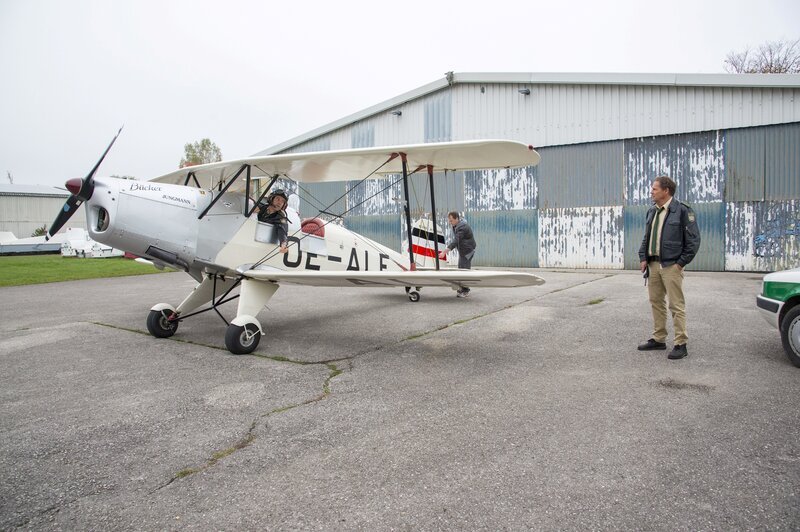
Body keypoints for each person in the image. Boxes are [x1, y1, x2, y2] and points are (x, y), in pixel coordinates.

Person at [638, 176, 701, 359]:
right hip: (653, 264)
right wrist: (643, 257)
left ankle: (681, 343)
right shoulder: (652, 211)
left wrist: (681, 262)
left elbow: (694, 240)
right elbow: (646, 237)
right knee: (656, 302)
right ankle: (659, 339)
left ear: (666, 191)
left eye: (655, 189)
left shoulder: (682, 211)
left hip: (671, 265)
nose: (652, 191)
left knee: (676, 305)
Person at [438, 211, 477, 298]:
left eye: (451, 220)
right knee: (461, 269)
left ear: (457, 219)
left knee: (464, 271)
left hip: (467, 251)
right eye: (449, 220)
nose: (450, 222)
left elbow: (456, 241)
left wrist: (445, 252)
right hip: (463, 251)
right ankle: (463, 288)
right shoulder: (456, 225)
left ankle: (465, 290)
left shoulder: (462, 227)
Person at [256, 189, 290, 254]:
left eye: (283, 201)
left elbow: (282, 232)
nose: (280, 203)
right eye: (278, 199)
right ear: (272, 199)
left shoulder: (281, 218)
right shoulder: (263, 207)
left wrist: (283, 245)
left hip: (263, 246)